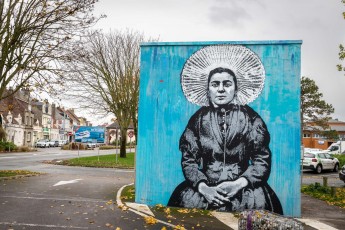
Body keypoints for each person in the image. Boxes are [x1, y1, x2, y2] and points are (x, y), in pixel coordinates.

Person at [168, 45, 283, 214]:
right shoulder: (198, 120)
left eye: (227, 84)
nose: (221, 89)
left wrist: (238, 184)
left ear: (236, 88)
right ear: (208, 89)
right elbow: (189, 160)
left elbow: (262, 159)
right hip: (203, 192)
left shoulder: (252, 118)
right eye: (215, 84)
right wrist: (204, 188)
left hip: (246, 193)